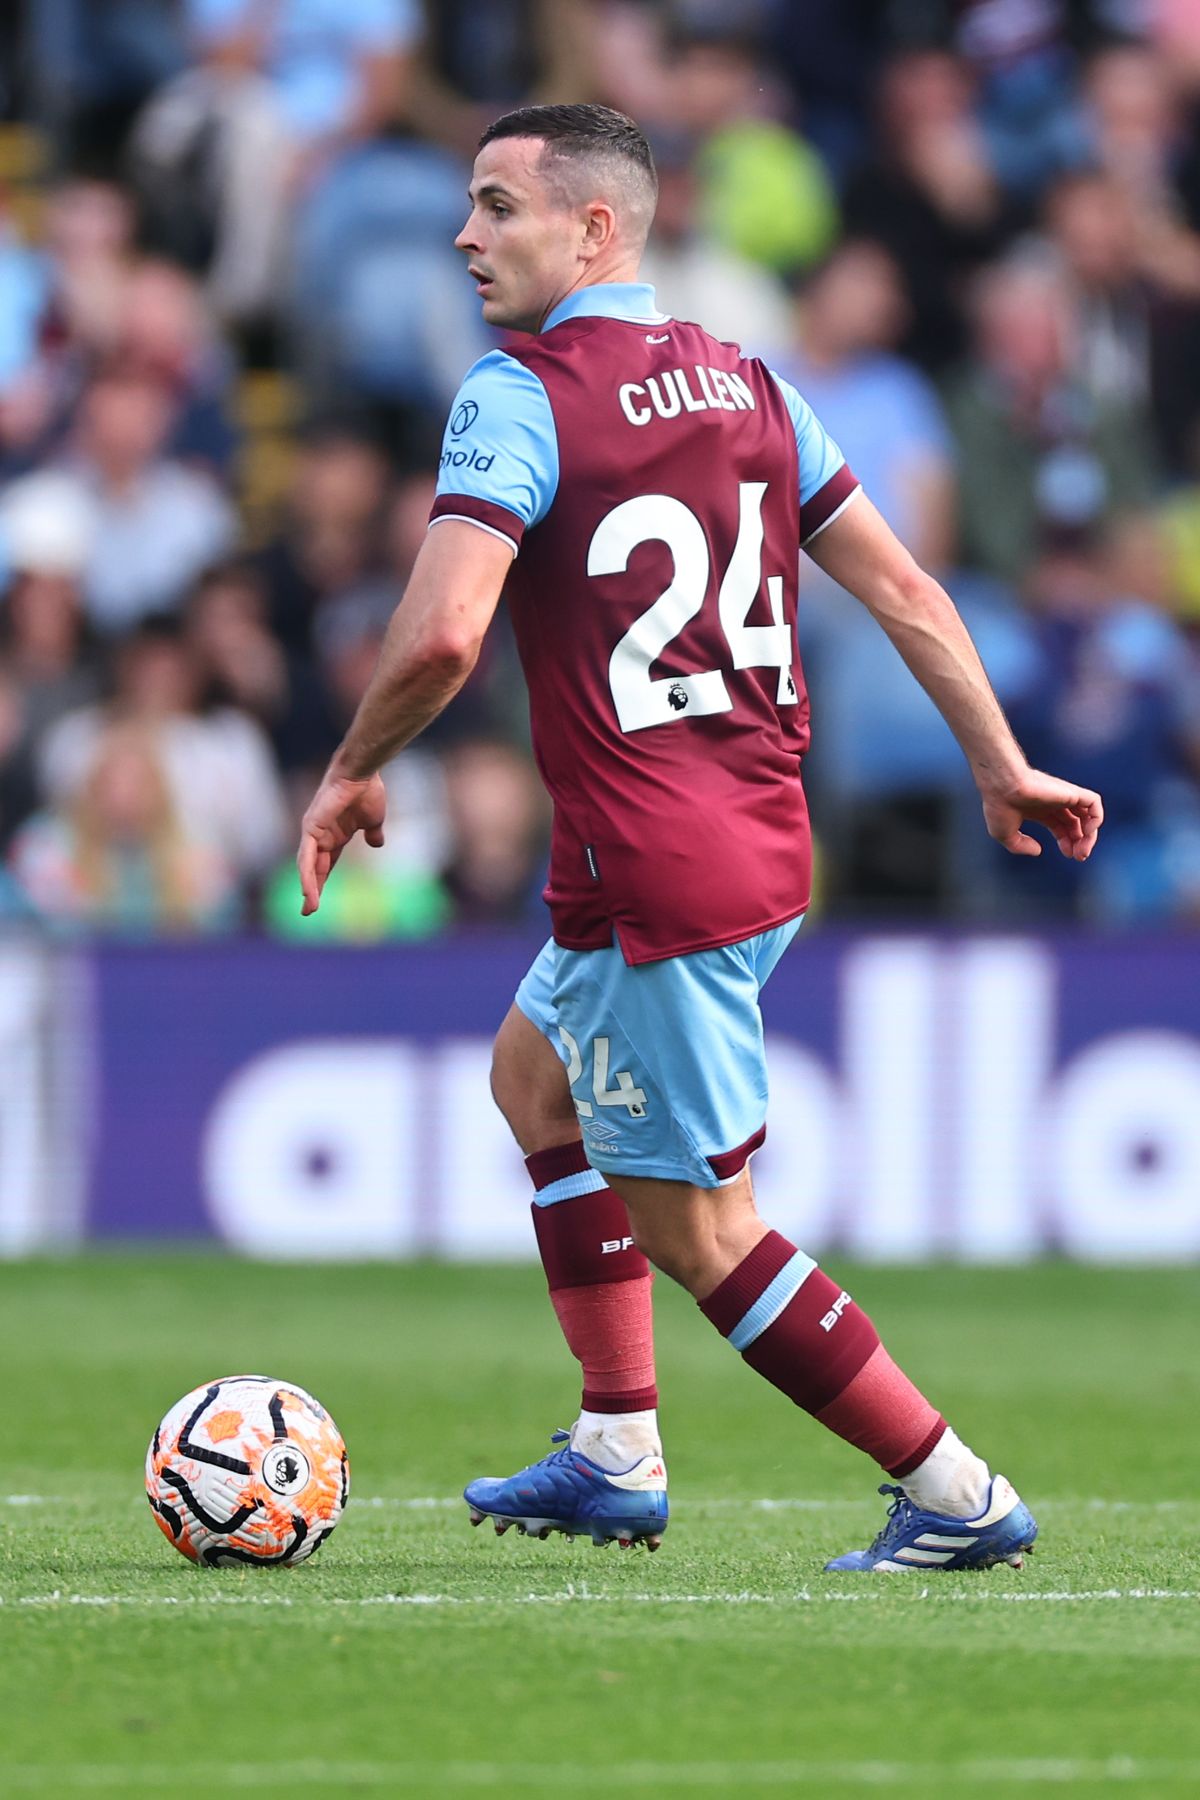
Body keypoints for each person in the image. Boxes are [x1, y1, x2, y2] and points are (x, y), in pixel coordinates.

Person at [297, 104, 1103, 1572]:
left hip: (657, 863)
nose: (466, 235)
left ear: (595, 229)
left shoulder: (519, 391)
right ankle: (616, 1441)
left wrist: (353, 767)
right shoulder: (752, 383)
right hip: (754, 838)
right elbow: (911, 590)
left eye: (498, 207)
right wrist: (1005, 763)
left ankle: (954, 1491)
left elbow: (446, 634)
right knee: (533, 1075)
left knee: (710, 1234)